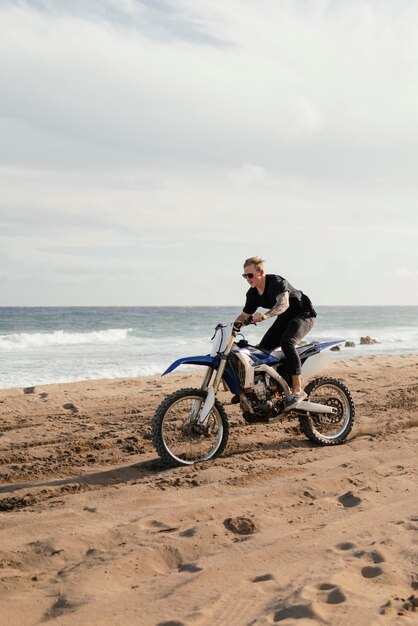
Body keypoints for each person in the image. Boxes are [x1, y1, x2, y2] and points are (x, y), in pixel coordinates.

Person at [234, 256, 317, 410]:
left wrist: (265, 316)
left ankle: (298, 390)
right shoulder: (252, 294)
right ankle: (272, 388)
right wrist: (231, 328)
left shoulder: (276, 283)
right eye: (245, 276)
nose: (247, 279)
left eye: (250, 275)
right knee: (261, 351)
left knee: (287, 341)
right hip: (285, 318)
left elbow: (283, 304)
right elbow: (244, 315)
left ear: (261, 273)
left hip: (303, 314)